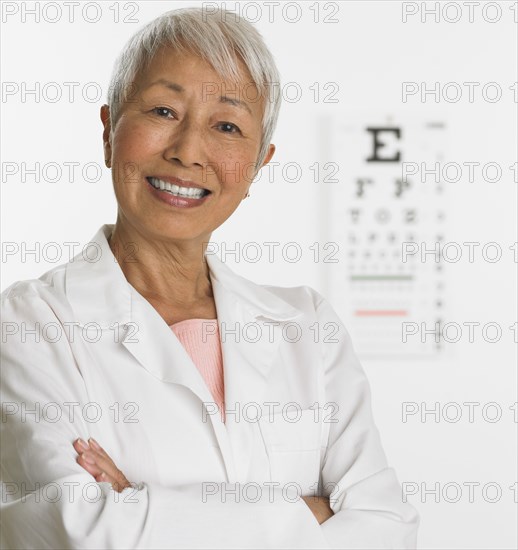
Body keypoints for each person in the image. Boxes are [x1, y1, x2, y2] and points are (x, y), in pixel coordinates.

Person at [0, 7, 419, 549]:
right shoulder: (30, 323)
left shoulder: (306, 326)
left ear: (258, 165)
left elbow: (389, 529)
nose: (187, 151)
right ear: (108, 133)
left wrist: (142, 506)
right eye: (163, 110)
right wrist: (307, 514)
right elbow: (76, 532)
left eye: (226, 125)